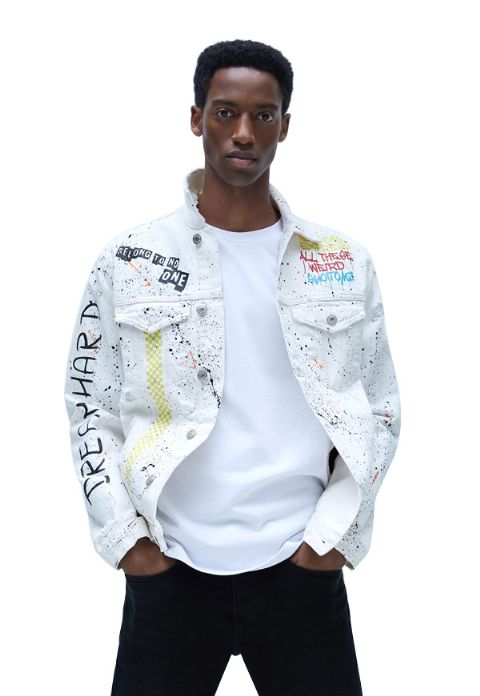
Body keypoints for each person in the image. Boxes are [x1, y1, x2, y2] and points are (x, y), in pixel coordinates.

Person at [64, 38, 401, 696]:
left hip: (300, 566)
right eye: (225, 112)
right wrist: (128, 542)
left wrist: (331, 540)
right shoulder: (130, 259)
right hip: (171, 568)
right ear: (197, 119)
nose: (244, 131)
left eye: (262, 115)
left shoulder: (340, 262)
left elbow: (379, 408)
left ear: (284, 126)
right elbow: (89, 406)